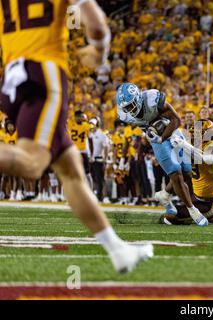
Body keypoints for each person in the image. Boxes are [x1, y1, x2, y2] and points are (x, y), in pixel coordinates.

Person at [0, 0, 153, 273]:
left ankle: (117, 249)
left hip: (13, 74)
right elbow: (95, 24)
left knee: (70, 170)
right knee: (33, 163)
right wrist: (100, 51)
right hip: (43, 71)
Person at [116, 83, 208, 227]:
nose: (130, 110)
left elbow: (176, 120)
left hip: (171, 131)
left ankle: (164, 195)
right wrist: (155, 136)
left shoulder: (152, 99)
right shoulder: (123, 114)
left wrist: (162, 135)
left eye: (131, 105)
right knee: (176, 175)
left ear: (139, 98)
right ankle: (192, 210)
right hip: (156, 140)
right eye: (126, 107)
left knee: (188, 171)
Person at [161, 119, 213, 226]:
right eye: (194, 133)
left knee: (168, 218)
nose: (195, 136)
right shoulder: (192, 145)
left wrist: (184, 145)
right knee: (173, 210)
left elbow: (206, 159)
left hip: (209, 202)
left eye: (200, 132)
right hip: (197, 196)